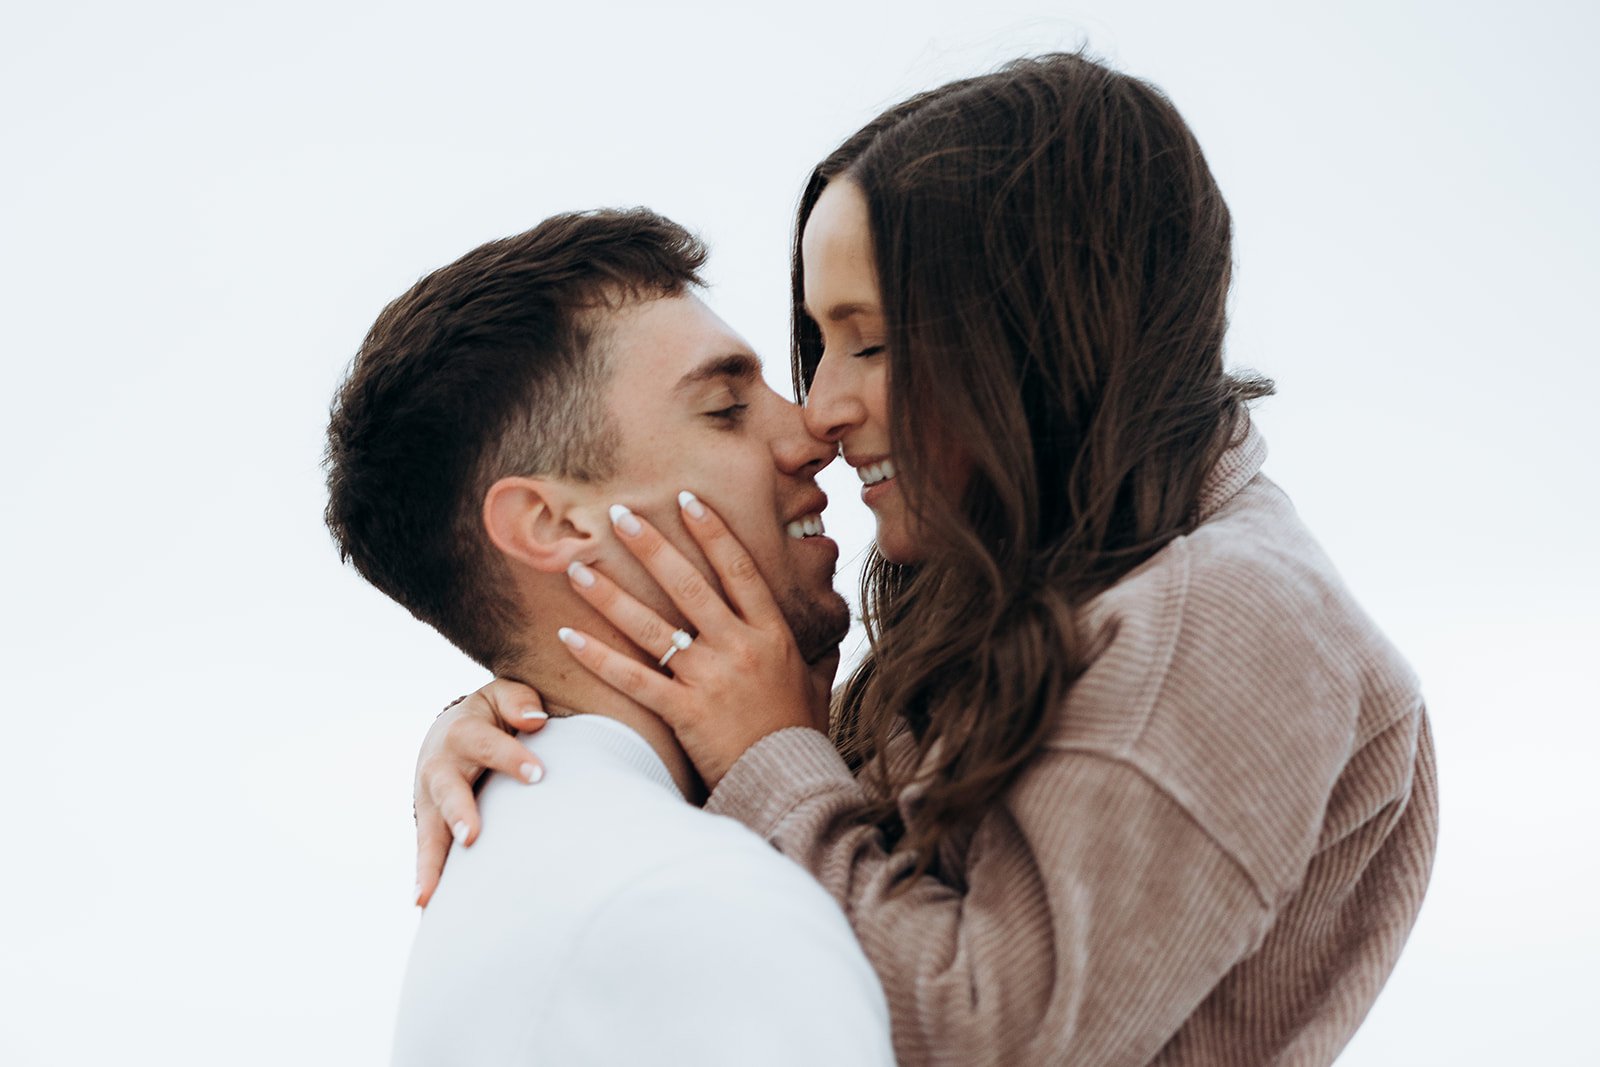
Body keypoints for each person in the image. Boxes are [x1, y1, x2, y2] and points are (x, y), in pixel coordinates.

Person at [415, 53, 1438, 1065]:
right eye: (820, 342)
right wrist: (546, 723)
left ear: (1041, 329)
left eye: (870, 343)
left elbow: (980, 1040)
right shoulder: (1022, 573)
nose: (820, 409)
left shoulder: (1223, 622)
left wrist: (767, 748)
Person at [323, 208, 894, 1065]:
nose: (812, 432)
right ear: (550, 524)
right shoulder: (692, 903)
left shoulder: (532, 855)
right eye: (726, 408)